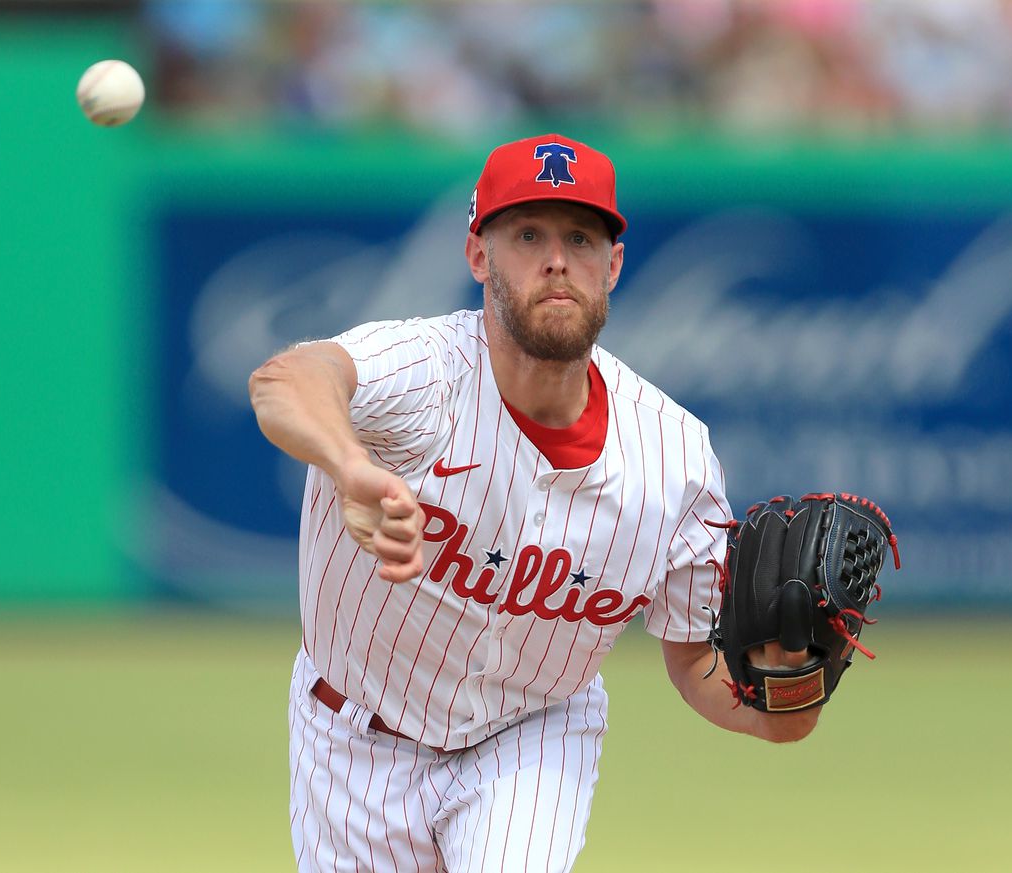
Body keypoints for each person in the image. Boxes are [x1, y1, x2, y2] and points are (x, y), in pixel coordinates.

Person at [248, 133, 816, 873]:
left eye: (580, 237)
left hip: (532, 734)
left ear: (612, 265)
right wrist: (351, 464)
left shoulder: (675, 459)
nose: (556, 259)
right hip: (350, 732)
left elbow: (694, 659)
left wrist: (790, 686)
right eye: (528, 234)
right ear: (479, 255)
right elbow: (286, 378)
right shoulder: (427, 374)